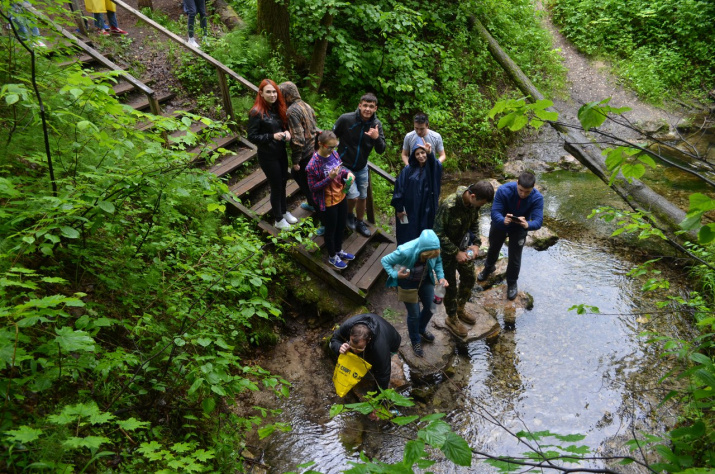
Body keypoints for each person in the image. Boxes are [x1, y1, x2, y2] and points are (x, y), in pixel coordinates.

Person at [433, 181, 494, 338]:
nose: (480, 206)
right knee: (450, 286)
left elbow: (474, 223)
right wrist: (455, 252)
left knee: (469, 277)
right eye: (480, 203)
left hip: (463, 247)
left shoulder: (474, 204)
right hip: (446, 252)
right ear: (472, 196)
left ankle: (460, 308)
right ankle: (451, 318)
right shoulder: (449, 206)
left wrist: (476, 244)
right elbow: (437, 233)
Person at [381, 229, 448, 357]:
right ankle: (415, 340)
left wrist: (441, 277)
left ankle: (421, 329)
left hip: (424, 279)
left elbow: (438, 262)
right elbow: (385, 261)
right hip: (406, 282)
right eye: (428, 256)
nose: (432, 257)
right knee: (414, 314)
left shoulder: (434, 249)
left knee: (432, 307)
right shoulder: (405, 251)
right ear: (422, 251)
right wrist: (395, 274)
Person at [478, 172, 544, 300]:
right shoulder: (504, 190)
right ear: (517, 183)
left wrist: (528, 225)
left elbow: (538, 221)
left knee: (515, 256)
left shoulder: (537, 198)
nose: (523, 194)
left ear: (533, 187)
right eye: (521, 190)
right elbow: (495, 211)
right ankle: (488, 268)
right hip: (501, 223)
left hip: (520, 227)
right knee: (493, 248)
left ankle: (512, 282)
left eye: (527, 192)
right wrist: (502, 219)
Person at [247, 79, 298, 231]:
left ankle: (284, 211)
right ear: (261, 94)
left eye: (274, 91)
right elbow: (252, 137)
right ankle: (278, 219)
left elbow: (283, 125)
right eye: (268, 92)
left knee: (283, 182)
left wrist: (287, 131)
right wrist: (271, 136)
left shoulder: (277, 108)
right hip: (268, 156)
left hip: (280, 152)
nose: (272, 94)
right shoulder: (256, 112)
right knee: (276, 186)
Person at [333, 93, 386, 238]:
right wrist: (329, 157)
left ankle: (360, 221)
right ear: (360, 105)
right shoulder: (346, 119)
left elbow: (381, 150)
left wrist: (376, 138)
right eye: (365, 106)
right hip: (344, 165)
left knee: (363, 196)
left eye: (371, 106)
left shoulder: (376, 125)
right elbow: (332, 135)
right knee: (353, 196)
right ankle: (349, 215)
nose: (367, 109)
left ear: (375, 108)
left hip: (362, 166)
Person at [278, 81, 323, 235]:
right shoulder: (306, 105)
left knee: (308, 183)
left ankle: (323, 219)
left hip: (304, 154)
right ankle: (312, 204)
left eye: (281, 94)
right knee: (306, 181)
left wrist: (296, 160)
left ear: (288, 95)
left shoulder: (292, 111)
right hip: (313, 151)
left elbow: (298, 138)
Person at [306, 131, 355, 270]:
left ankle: (339, 250)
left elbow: (341, 169)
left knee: (341, 226)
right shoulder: (313, 165)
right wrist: (329, 178)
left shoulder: (334, 154)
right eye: (330, 147)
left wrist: (348, 173)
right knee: (331, 229)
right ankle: (332, 256)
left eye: (335, 146)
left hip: (341, 196)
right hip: (327, 202)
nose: (333, 150)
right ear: (321, 144)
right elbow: (313, 188)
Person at [329, 313, 401, 391]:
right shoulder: (348, 326)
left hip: (392, 344)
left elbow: (383, 375)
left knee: (370, 373)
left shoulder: (379, 347)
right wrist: (339, 347)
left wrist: (378, 397)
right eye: (352, 345)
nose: (354, 350)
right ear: (350, 334)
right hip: (372, 340)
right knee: (331, 345)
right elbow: (334, 339)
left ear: (369, 339)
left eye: (359, 348)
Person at [391, 137, 442, 245]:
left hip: (426, 208)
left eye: (423, 153)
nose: (420, 156)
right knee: (408, 233)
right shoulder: (408, 170)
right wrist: (399, 208)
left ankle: (423, 256)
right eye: (417, 154)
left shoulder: (432, 168)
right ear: (414, 156)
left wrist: (430, 154)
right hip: (410, 208)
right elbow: (399, 188)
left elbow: (435, 164)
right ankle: (409, 257)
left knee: (425, 231)